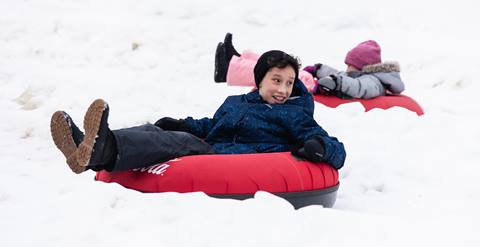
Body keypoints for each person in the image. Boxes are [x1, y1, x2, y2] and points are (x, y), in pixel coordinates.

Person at [51, 50, 346, 175]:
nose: (283, 89)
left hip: (236, 159)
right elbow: (211, 125)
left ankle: (101, 150)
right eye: (276, 80)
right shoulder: (236, 103)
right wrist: (181, 123)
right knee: (161, 131)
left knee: (181, 143)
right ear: (260, 81)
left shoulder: (294, 114)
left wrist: (320, 148)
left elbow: (335, 148)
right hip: (214, 146)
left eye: (289, 83)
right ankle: (87, 146)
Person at [215, 33, 405, 99]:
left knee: (288, 74)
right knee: (284, 65)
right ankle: (238, 59)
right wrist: (320, 69)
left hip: (319, 90)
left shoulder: (373, 82)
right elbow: (341, 74)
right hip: (323, 86)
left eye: (351, 66)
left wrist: (335, 82)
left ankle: (229, 69)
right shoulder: (362, 75)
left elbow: (357, 87)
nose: (347, 70)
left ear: (365, 67)